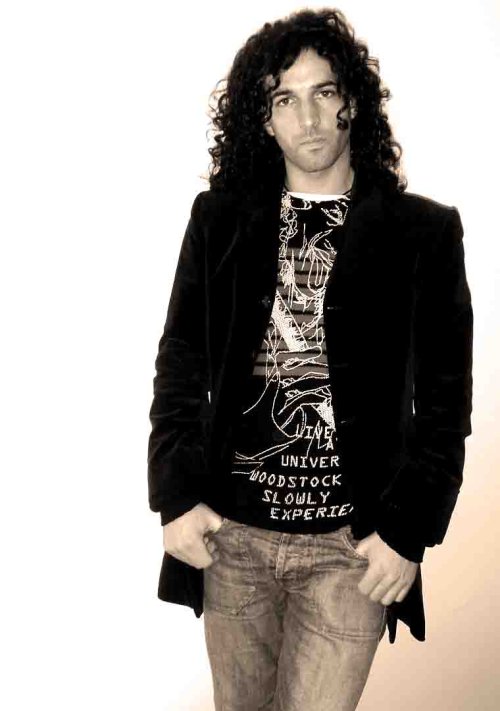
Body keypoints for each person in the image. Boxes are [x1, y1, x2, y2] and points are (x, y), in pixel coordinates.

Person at [147, 7, 473, 710]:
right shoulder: (219, 221)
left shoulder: (423, 233)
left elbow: (447, 405)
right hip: (234, 540)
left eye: (324, 92)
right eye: (284, 100)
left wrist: (407, 531)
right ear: (263, 121)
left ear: (352, 99)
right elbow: (181, 364)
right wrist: (175, 495)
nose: (309, 117)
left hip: (350, 550)